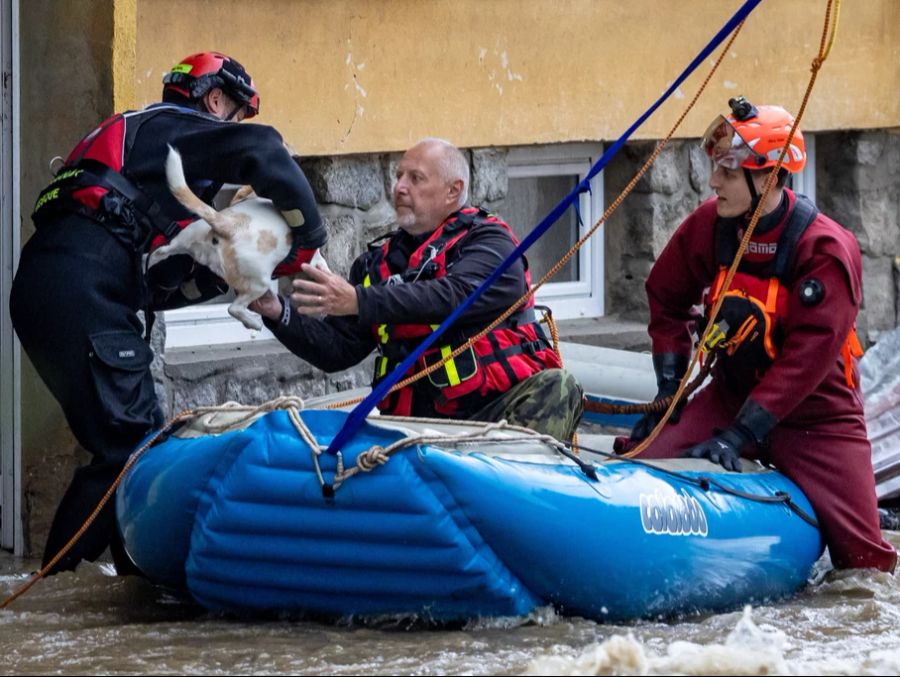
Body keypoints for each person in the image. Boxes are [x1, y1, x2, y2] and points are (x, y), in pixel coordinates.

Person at [9, 51, 325, 574]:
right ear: (217, 98)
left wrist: (228, 277)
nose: (233, 127)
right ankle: (53, 596)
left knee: (127, 439)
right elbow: (264, 148)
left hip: (57, 285)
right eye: (234, 114)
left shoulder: (143, 154)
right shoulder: (176, 126)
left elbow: (157, 286)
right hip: (82, 284)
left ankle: (126, 580)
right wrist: (310, 235)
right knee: (129, 446)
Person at [626, 97, 896, 572]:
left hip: (817, 417)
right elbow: (665, 297)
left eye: (728, 173)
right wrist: (669, 391)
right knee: (636, 461)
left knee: (864, 562)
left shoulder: (826, 249)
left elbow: (807, 361)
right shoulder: (711, 225)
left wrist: (741, 435)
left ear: (768, 176)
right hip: (728, 396)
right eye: (715, 170)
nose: (713, 183)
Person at [251, 137, 583, 440]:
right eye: (398, 176)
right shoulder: (375, 264)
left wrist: (358, 300)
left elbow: (456, 296)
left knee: (559, 386)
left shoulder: (492, 243)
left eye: (416, 178)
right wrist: (277, 312)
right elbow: (338, 350)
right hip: (412, 429)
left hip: (492, 416)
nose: (399, 187)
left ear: (453, 191)